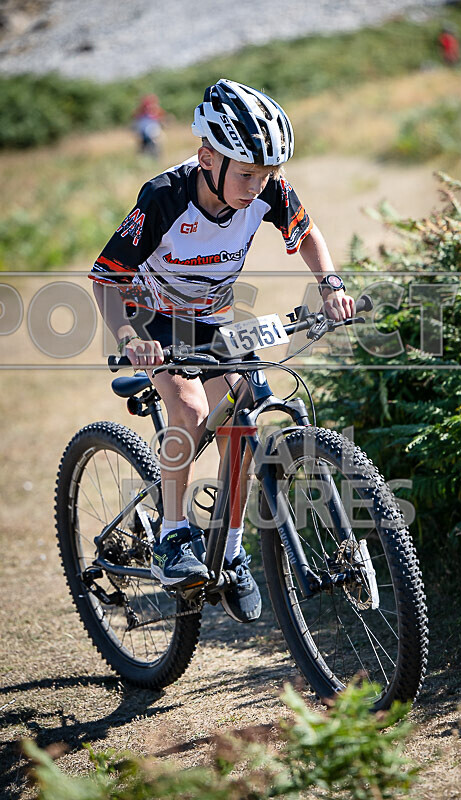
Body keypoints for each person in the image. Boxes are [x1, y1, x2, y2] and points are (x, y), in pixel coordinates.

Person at [90, 78, 356, 624]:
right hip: (149, 313)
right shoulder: (164, 197)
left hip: (210, 316)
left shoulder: (267, 191)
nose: (256, 187)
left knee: (243, 418)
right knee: (189, 410)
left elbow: (306, 235)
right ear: (206, 156)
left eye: (266, 175)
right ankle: (171, 535)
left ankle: (231, 552)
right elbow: (105, 279)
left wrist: (329, 284)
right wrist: (128, 339)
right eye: (245, 173)